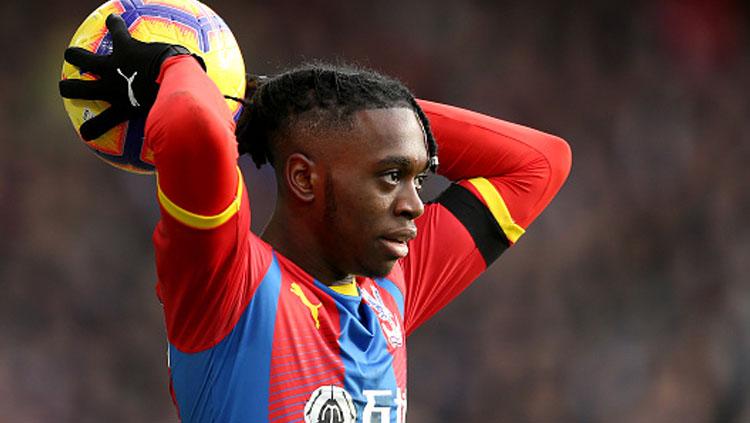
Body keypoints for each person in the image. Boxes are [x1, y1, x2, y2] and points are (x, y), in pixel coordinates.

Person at [60, 14, 571, 423]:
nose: (415, 204)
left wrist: (298, 103)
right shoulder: (227, 285)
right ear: (303, 179)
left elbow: (540, 162)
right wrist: (175, 67)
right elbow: (196, 129)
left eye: (420, 178)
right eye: (391, 176)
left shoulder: (393, 286)